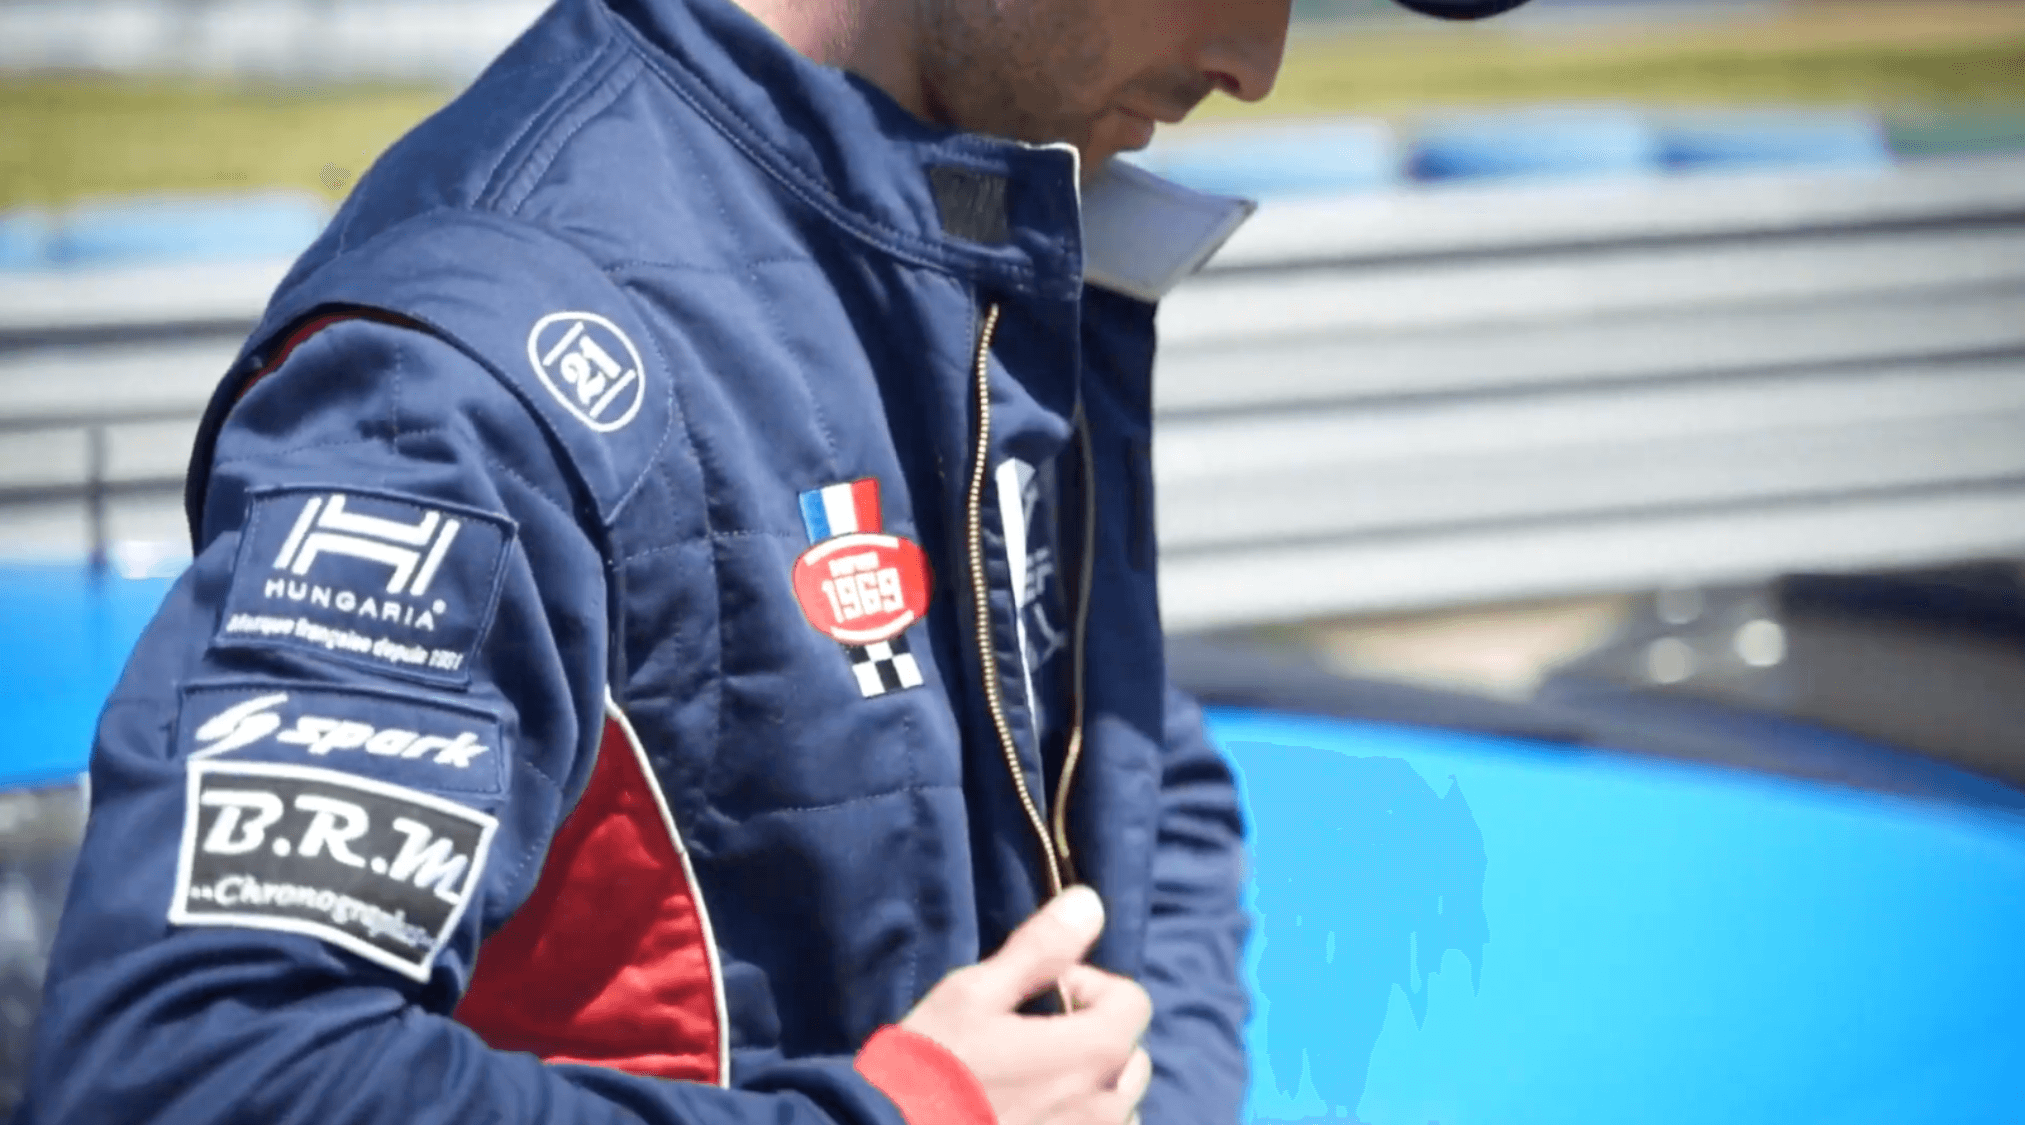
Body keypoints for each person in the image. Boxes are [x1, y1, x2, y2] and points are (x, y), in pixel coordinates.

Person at [13, 0, 1529, 1123]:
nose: (1256, 63)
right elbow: (194, 1073)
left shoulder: (952, 226)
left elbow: (1137, 772)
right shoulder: (480, 359)